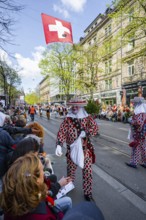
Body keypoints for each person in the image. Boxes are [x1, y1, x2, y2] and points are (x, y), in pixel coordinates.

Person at [8, 137, 72, 216]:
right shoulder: (40, 210)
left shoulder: (16, 178)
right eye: (35, 157)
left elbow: (40, 195)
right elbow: (42, 195)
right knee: (68, 201)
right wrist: (55, 188)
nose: (40, 160)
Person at [55, 98, 98, 201]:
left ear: (81, 106)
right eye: (72, 105)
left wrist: (87, 132)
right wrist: (59, 144)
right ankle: (69, 185)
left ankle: (88, 192)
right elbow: (62, 132)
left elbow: (95, 128)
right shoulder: (68, 119)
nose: (74, 107)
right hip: (71, 150)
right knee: (70, 172)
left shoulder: (87, 118)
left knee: (87, 172)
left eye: (76, 105)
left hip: (85, 150)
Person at [0, 153, 59, 219]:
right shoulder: (42, 216)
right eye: (42, 169)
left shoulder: (11, 199)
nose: (43, 173)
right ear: (36, 180)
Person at [126, 96, 146, 168]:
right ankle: (144, 162)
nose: (133, 104)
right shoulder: (143, 111)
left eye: (134, 103)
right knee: (143, 147)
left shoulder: (139, 112)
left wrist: (131, 121)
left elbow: (138, 122)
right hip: (143, 133)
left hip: (138, 133)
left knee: (136, 147)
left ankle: (134, 162)